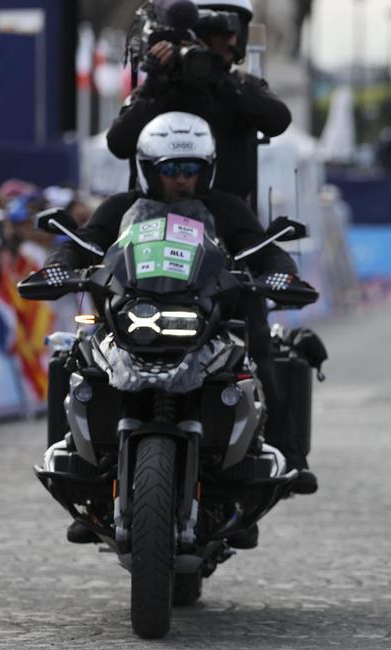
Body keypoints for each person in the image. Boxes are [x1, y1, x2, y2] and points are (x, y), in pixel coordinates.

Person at [47, 112, 314, 543]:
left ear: (207, 169)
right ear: (148, 169)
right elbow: (82, 243)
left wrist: (281, 274)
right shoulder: (119, 208)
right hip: (130, 321)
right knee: (74, 354)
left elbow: (264, 250)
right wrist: (59, 268)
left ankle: (280, 456)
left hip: (209, 324)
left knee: (260, 350)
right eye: (170, 169)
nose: (181, 179)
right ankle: (85, 478)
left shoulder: (226, 207)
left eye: (191, 169)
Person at [106, 0, 290, 202]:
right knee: (111, 209)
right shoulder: (160, 87)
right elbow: (118, 144)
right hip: (155, 219)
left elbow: (279, 120)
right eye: (221, 33)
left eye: (236, 32)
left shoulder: (241, 86)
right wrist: (155, 88)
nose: (232, 41)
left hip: (225, 222)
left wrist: (218, 79)